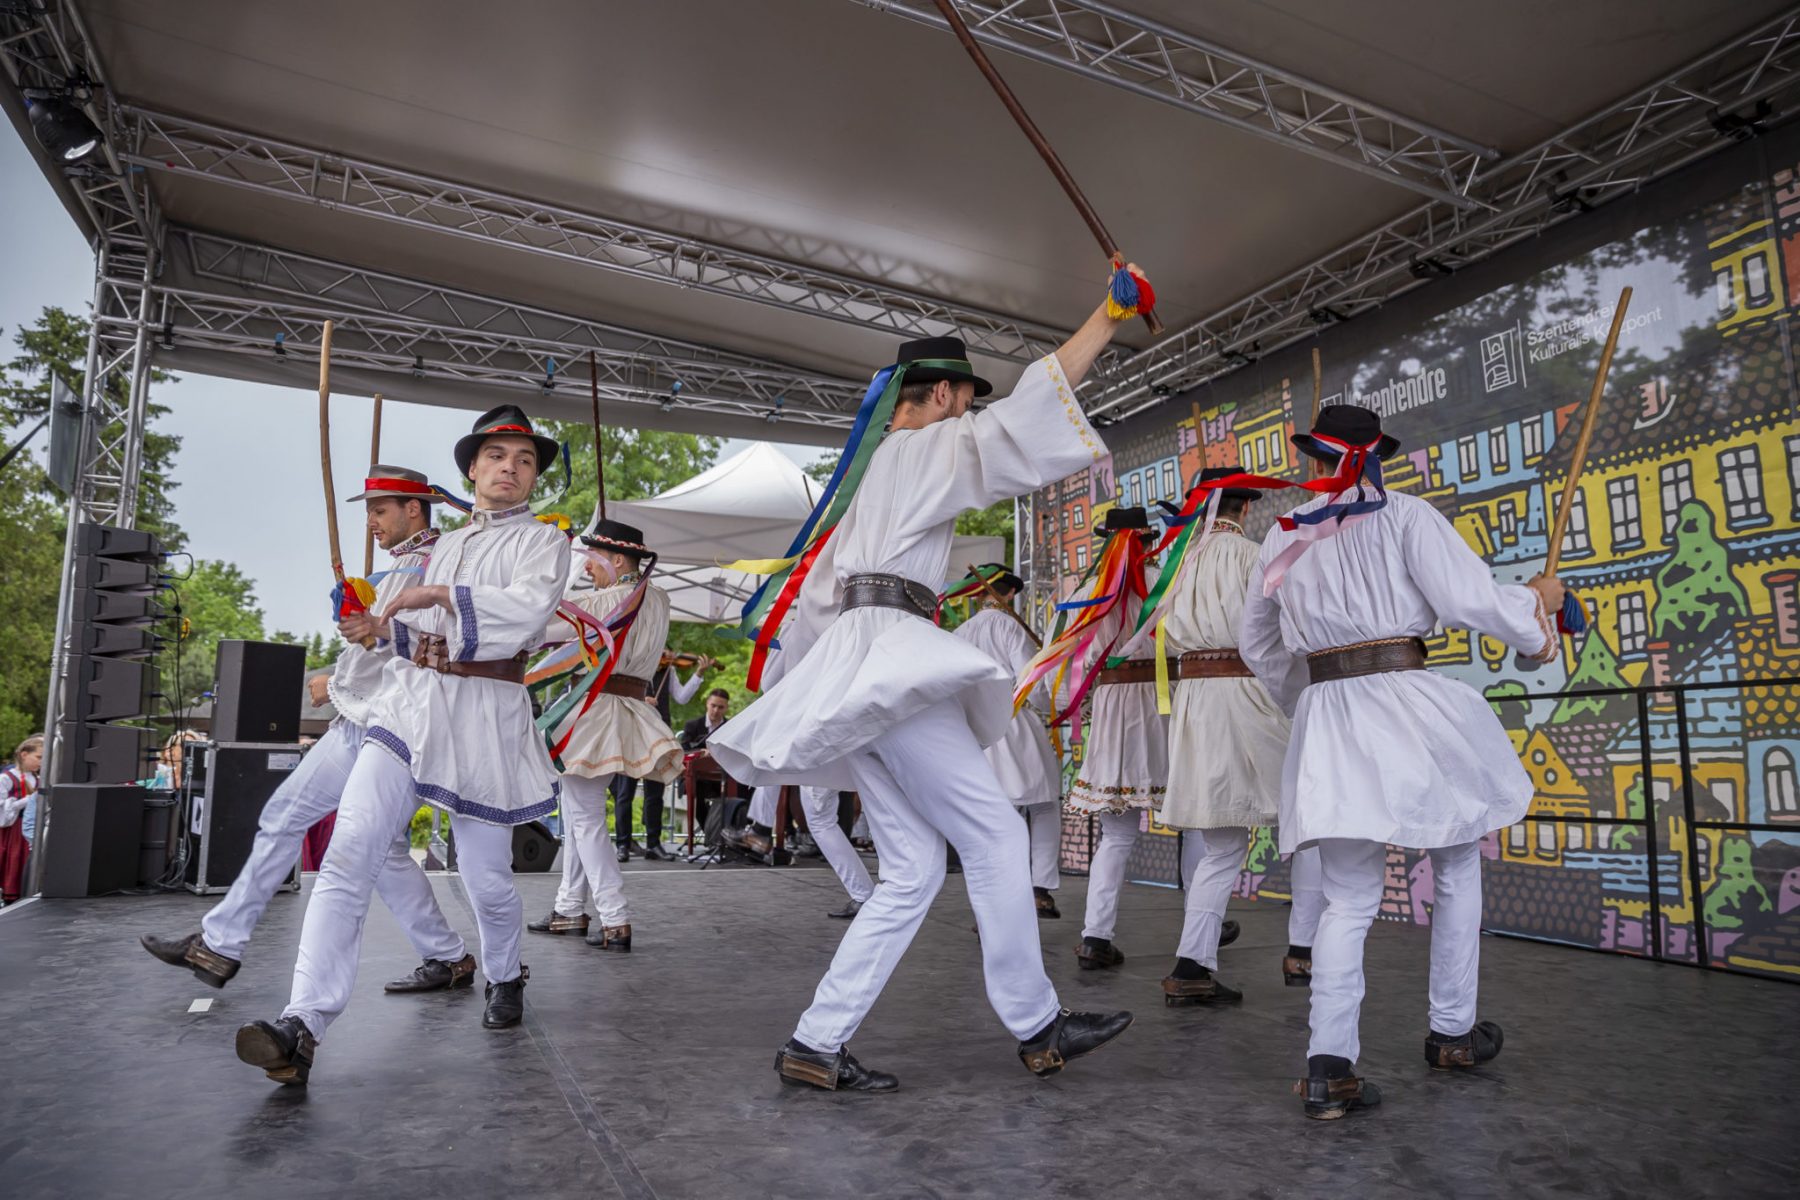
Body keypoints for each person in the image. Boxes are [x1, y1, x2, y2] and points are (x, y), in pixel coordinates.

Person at [710, 281, 1149, 1092]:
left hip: (862, 664)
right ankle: (1038, 1025)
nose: (968, 413)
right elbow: (1020, 421)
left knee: (913, 869)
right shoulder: (919, 450)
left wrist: (821, 689)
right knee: (995, 837)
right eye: (965, 398)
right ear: (943, 396)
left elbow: (815, 607)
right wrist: (1105, 319)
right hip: (889, 661)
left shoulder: (869, 483)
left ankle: (815, 1041)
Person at [1238, 404, 1565, 1121]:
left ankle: (1329, 1069)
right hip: (1402, 699)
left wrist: (1309, 702)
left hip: (1329, 711)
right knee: (1456, 859)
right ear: (1375, 455)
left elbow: (1257, 643)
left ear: (1315, 459)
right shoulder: (1406, 515)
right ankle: (1452, 1032)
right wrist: (1538, 611)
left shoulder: (1282, 537)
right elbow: (1469, 599)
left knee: (1348, 896)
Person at [233, 406, 571, 1085]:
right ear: (471, 470)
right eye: (496, 455)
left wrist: (436, 593)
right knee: (349, 850)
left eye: (524, 459)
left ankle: (506, 973)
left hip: (487, 713)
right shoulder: (445, 544)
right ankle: (303, 1022)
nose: (509, 467)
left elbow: (524, 615)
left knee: (487, 881)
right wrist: (378, 631)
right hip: (413, 705)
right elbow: (418, 637)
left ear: (534, 477)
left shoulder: (545, 542)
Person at [141, 467, 474, 994]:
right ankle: (220, 943)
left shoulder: (432, 566)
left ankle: (313, 991)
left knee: (361, 848)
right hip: (363, 721)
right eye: (369, 511)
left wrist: (343, 667)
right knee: (292, 818)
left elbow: (418, 647)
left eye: (379, 510)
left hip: (400, 725)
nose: (370, 522)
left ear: (414, 509)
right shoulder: (400, 569)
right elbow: (376, 644)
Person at [1157, 467, 1321, 1007]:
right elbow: (1288, 632)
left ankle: (1192, 964)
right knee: (1309, 818)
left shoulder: (1176, 565)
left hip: (1196, 702)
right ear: (1245, 508)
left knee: (1222, 845)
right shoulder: (1255, 557)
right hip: (1250, 692)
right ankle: (1305, 949)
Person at [1064, 507, 1229, 970]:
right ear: (1150, 541)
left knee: (1116, 834)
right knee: (1192, 819)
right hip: (1160, 702)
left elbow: (1083, 657)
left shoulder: (1090, 593)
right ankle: (1201, 925)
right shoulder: (1164, 581)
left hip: (1114, 704)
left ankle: (1095, 936)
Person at [528, 518, 683, 953]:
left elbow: (540, 625)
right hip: (627, 705)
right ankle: (569, 907)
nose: (587, 568)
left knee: (585, 816)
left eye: (593, 559)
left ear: (618, 560)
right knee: (579, 811)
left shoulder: (605, 601)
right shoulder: (659, 599)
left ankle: (615, 917)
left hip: (596, 709)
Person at [951, 565, 1062, 919]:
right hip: (1012, 723)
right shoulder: (1009, 626)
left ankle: (993, 899)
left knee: (993, 816)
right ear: (1010, 593)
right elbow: (1031, 680)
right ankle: (1039, 889)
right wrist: (1053, 707)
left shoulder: (960, 632)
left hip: (972, 731)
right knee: (1044, 804)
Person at [611, 654, 710, 861]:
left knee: (655, 793)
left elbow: (682, 698)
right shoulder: (629, 664)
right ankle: (623, 844)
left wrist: (699, 674)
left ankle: (653, 845)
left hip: (657, 734)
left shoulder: (668, 669)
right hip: (632, 733)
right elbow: (615, 696)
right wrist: (640, 700)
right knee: (625, 793)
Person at [679, 687, 744, 833]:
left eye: (720, 707)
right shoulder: (693, 725)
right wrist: (701, 752)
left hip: (724, 775)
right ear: (707, 703)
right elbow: (683, 750)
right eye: (713, 705)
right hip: (697, 776)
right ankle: (712, 834)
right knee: (698, 790)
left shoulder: (731, 727)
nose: (716, 710)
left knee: (744, 787)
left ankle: (734, 831)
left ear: (726, 708)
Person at [0, 734, 42, 905]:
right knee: (13, 860)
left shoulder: (37, 779)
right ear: (24, 754)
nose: (41, 762)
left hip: (32, 828)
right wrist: (27, 801)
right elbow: (2, 808)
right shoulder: (6, 778)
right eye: (39, 757)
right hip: (13, 831)